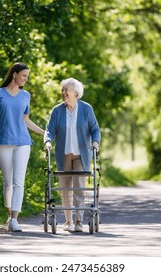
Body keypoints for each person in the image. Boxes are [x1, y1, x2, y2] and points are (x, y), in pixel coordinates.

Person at [0, 62, 44, 232]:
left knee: (19, 182)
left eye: (27, 76)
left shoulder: (25, 95)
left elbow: (26, 120)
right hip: (3, 142)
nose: (26, 79)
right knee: (8, 182)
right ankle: (9, 213)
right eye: (24, 76)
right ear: (14, 74)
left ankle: (14, 219)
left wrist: (44, 132)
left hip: (23, 142)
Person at [44, 77, 100, 232]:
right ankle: (68, 222)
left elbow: (95, 129)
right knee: (64, 188)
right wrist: (47, 141)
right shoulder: (57, 110)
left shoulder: (86, 109)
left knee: (79, 187)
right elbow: (49, 130)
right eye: (62, 90)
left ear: (75, 92)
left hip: (81, 154)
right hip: (64, 154)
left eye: (66, 90)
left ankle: (79, 222)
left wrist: (95, 142)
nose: (63, 93)